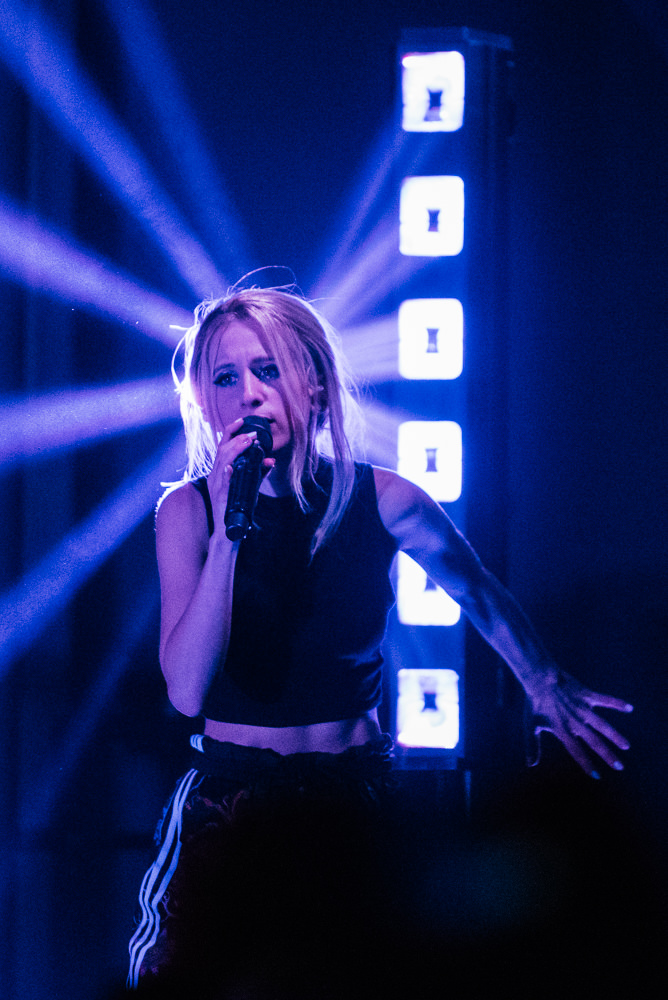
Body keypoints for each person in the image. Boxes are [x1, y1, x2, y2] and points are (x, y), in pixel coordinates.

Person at [127, 284, 632, 992]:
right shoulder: (187, 513)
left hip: (349, 794)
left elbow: (476, 589)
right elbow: (185, 689)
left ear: (314, 385)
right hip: (232, 798)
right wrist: (231, 533)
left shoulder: (385, 499)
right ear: (203, 402)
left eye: (268, 369)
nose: (249, 394)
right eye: (225, 377)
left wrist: (543, 682)